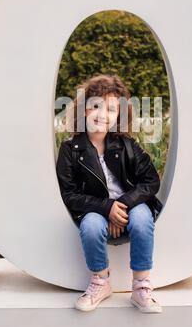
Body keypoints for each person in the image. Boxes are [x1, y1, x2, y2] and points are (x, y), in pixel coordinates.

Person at [56, 74, 163, 313]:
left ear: (119, 116)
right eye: (95, 106)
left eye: (111, 109)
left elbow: (150, 181)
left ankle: (141, 286)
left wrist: (121, 205)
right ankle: (100, 281)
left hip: (130, 205)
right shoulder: (70, 150)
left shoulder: (127, 145)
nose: (102, 114)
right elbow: (69, 194)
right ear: (84, 110)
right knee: (91, 227)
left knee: (143, 218)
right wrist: (107, 207)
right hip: (94, 209)